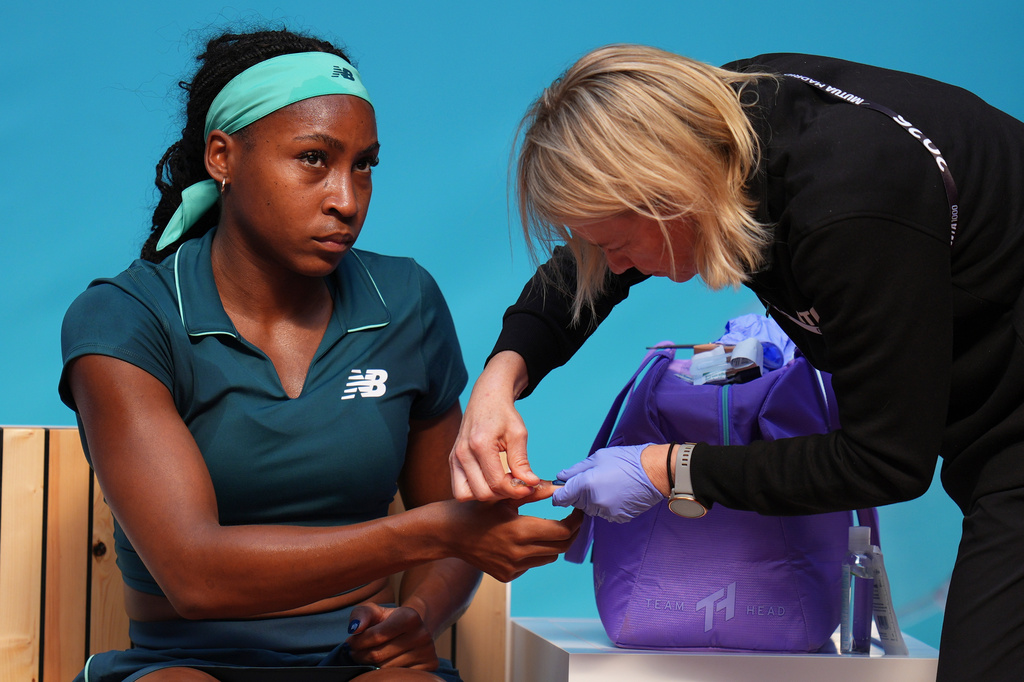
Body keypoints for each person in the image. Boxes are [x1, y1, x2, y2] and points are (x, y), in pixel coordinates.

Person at [448, 44, 1024, 680]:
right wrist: (498, 382)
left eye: (614, 243)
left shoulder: (849, 197)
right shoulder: (715, 130)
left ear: (666, 188)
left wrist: (667, 468)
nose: (611, 267)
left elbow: (884, 460)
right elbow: (585, 270)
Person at [59, 28, 580, 682]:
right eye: (313, 158)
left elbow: (450, 519)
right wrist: (433, 532)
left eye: (364, 164)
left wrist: (416, 615)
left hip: (356, 663)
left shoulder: (405, 299)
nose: (346, 199)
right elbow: (193, 575)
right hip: (183, 665)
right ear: (222, 156)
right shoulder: (126, 318)